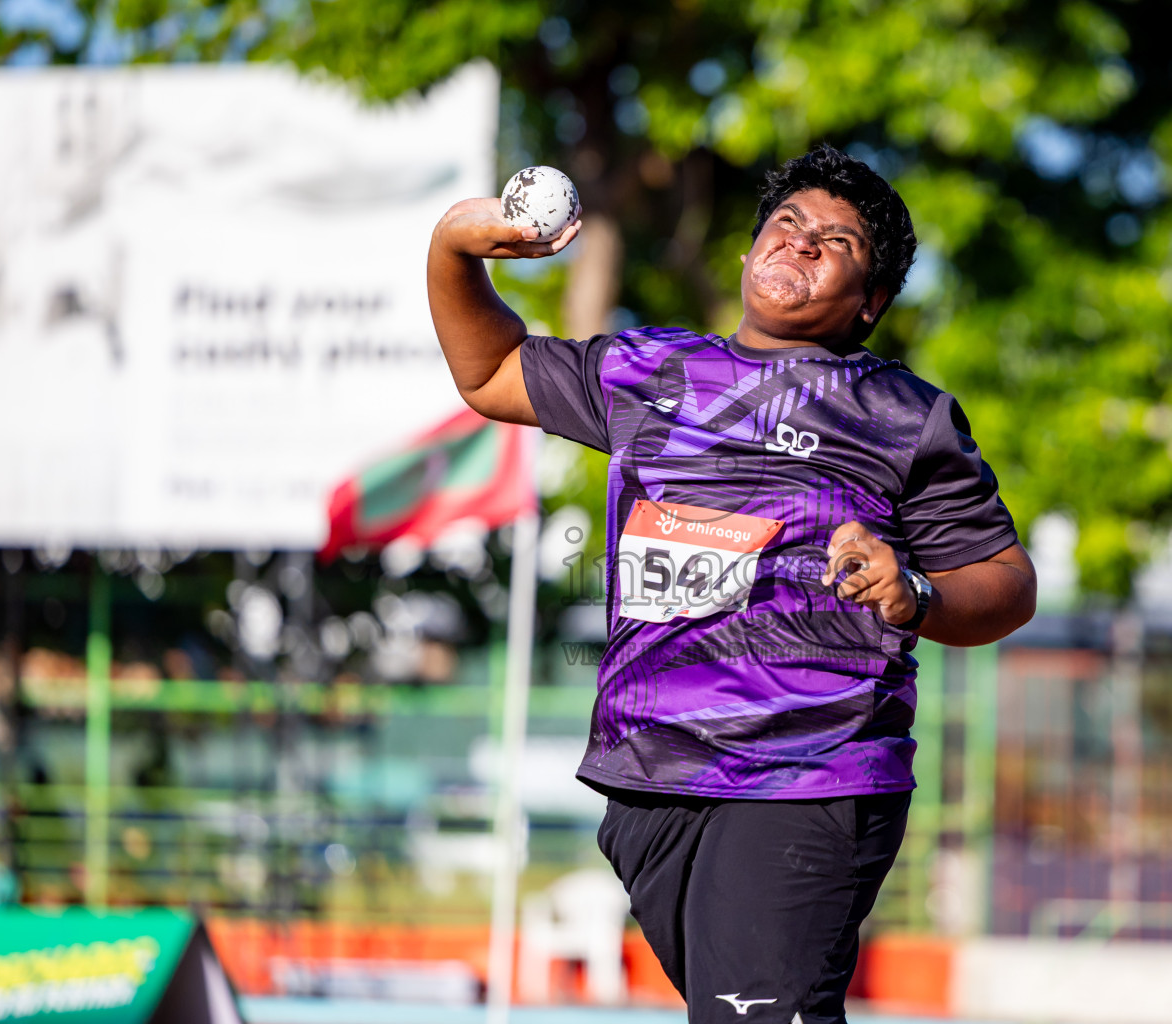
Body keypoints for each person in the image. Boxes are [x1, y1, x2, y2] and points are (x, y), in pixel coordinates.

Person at [427, 144, 1037, 1024]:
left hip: (809, 771)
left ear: (871, 302)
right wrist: (452, 247)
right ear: (751, 251)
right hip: (651, 777)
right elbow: (488, 372)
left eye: (838, 242)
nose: (801, 243)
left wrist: (918, 592)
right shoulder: (650, 373)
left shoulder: (906, 415)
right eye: (786, 224)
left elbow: (1006, 583)